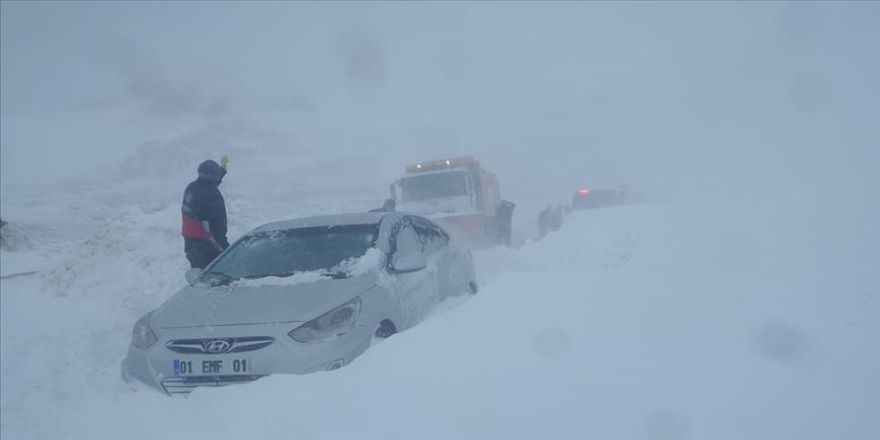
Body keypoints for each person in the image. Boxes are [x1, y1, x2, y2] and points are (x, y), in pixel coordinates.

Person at [181, 159, 229, 269]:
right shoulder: (212, 195)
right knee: (214, 280)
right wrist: (226, 251)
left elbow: (210, 180)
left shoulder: (192, 188)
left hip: (190, 244)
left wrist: (223, 168)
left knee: (198, 275)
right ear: (212, 177)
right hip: (207, 247)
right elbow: (216, 228)